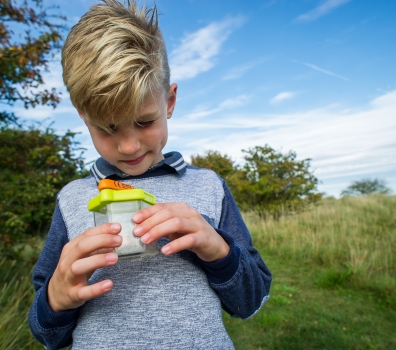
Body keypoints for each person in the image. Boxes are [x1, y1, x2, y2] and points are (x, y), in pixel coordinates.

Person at [28, 1, 272, 349]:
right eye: (108, 128)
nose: (128, 146)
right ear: (84, 117)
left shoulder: (208, 187)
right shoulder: (71, 200)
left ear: (169, 102)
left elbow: (251, 303)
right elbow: (47, 334)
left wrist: (219, 250)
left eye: (145, 121)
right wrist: (56, 300)